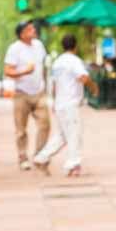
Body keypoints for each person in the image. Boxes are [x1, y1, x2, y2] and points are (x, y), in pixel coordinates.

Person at [34, 34, 98, 176]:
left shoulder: (58, 62)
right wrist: (93, 87)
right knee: (74, 134)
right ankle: (73, 164)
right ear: (75, 46)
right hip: (71, 103)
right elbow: (83, 77)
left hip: (61, 103)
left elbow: (55, 84)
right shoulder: (74, 61)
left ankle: (41, 157)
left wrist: (55, 102)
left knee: (62, 135)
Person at [4, 21, 50, 170]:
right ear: (22, 34)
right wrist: (24, 72)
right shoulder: (14, 49)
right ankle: (23, 157)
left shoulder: (39, 45)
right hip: (21, 93)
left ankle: (39, 154)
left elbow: (42, 67)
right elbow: (8, 71)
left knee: (45, 124)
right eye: (29, 29)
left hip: (39, 92)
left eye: (32, 28)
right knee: (21, 130)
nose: (33, 30)